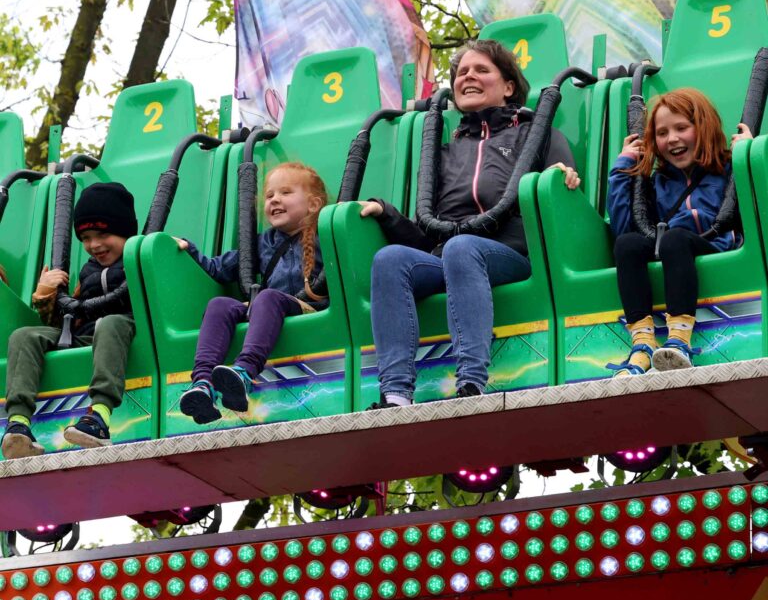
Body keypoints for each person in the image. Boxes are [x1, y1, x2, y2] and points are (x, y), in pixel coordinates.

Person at [360, 39, 580, 409]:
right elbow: (426, 232)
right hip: (452, 256)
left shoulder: (535, 135)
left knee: (463, 249)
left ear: (508, 86)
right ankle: (396, 392)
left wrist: (562, 177)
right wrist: (387, 214)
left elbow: (564, 191)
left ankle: (472, 382)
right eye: (462, 72)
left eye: (481, 70)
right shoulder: (446, 153)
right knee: (391, 260)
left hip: (513, 254)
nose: (468, 77)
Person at [607, 88, 752, 376]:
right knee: (627, 244)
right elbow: (622, 226)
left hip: (718, 244)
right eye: (662, 133)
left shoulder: (726, 168)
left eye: (681, 128)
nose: (672, 139)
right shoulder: (657, 181)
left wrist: (749, 155)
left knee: (674, 238)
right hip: (672, 247)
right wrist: (623, 166)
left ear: (703, 127)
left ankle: (679, 342)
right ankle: (643, 343)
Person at [177, 161, 328, 424]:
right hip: (268, 308)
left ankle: (244, 372)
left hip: (308, 308)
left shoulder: (324, 234)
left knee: (267, 297)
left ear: (313, 204)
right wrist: (187, 250)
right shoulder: (263, 243)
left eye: (285, 193)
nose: (275, 200)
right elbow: (217, 269)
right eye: (270, 196)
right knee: (219, 305)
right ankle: (202, 383)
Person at [1, 183, 138, 458]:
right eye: (86, 237)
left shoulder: (139, 260)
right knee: (24, 336)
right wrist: (44, 295)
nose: (94, 245)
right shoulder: (88, 271)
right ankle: (18, 424)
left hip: (125, 332)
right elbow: (63, 319)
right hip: (84, 336)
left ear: (125, 231)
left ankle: (98, 416)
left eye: (103, 234)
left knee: (109, 322)